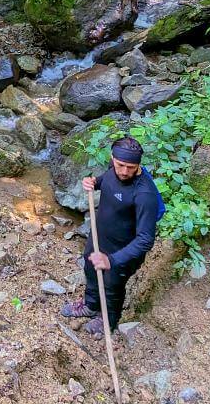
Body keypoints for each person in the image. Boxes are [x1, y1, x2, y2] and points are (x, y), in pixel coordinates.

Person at [61, 136, 160, 337]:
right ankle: (90, 305)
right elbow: (107, 180)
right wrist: (93, 182)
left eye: (131, 167)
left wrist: (111, 260)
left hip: (123, 251)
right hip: (100, 237)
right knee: (90, 269)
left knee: (112, 285)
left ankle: (108, 321)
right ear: (112, 158)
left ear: (138, 165)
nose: (124, 172)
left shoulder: (144, 194)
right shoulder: (113, 169)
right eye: (120, 165)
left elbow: (145, 239)